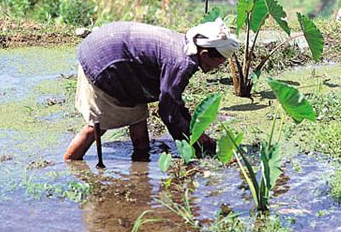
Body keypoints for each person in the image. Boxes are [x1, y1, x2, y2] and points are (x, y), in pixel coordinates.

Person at [64, 17, 240, 161]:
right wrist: (190, 141)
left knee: (137, 115)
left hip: (114, 54)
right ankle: (71, 162)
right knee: (99, 125)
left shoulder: (186, 46)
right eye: (219, 63)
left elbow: (173, 100)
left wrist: (195, 132)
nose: (217, 68)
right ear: (204, 53)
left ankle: (141, 157)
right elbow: (168, 111)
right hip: (104, 60)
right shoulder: (182, 62)